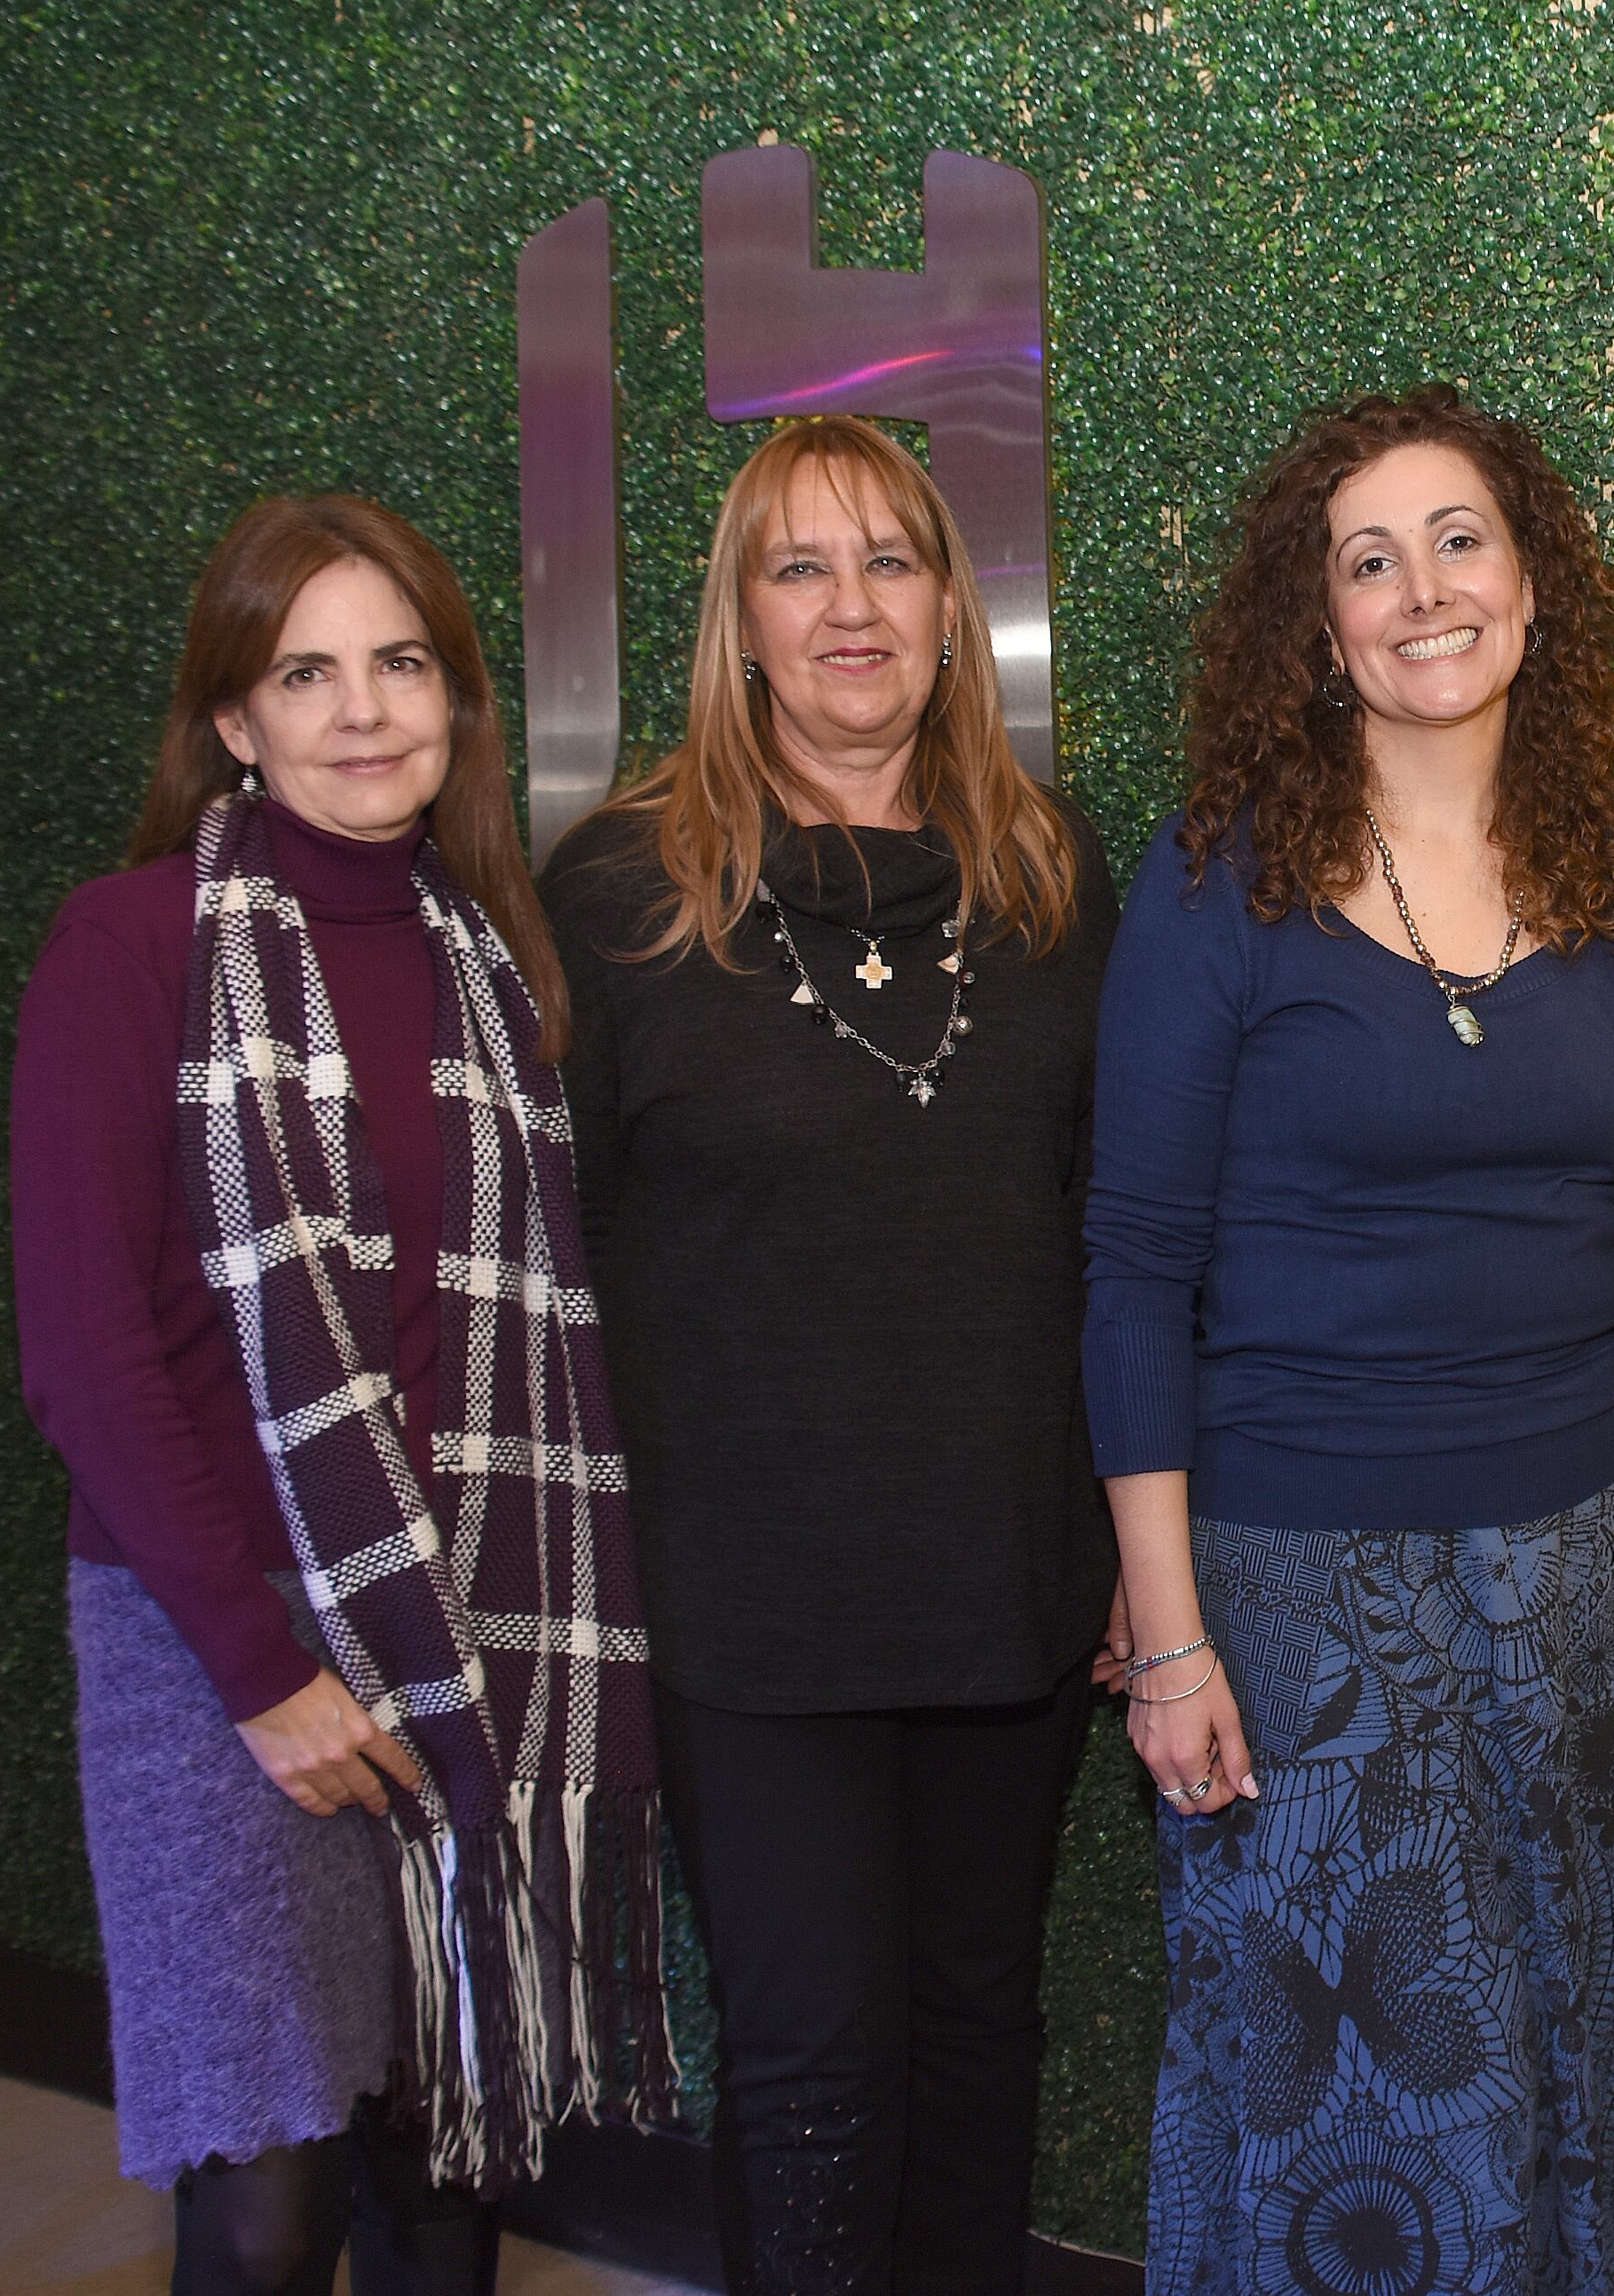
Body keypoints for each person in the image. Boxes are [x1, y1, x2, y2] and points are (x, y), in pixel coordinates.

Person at [1086, 383, 1614, 2294]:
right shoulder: (1216, 883)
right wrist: (1167, 1639)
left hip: (1578, 1573)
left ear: (1531, 588)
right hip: (1305, 1604)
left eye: (1457, 541)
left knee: (1588, 2057)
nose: (1420, 593)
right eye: (1365, 562)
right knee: (1365, 2112)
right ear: (1316, 629)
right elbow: (1136, 1265)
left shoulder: (1607, 877)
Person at [14, 495, 671, 2293]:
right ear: (234, 718)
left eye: (399, 664)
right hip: (208, 1650)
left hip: (459, 1631)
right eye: (306, 671)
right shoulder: (132, 945)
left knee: (445, 2169)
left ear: (455, 702)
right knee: (265, 2193)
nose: (363, 709)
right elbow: (83, 1358)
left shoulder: (496, 958)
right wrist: (263, 1671)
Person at [540, 416, 1118, 2294]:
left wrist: (1126, 1554)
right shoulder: (624, 895)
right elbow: (572, 1258)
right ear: (741, 623)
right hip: (750, 1610)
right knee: (811, 2073)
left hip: (1006, 1587)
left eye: (889, 560)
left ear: (953, 612)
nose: (851, 605)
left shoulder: (1048, 881)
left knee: (975, 2040)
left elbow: (1104, 1232)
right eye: (801, 567)